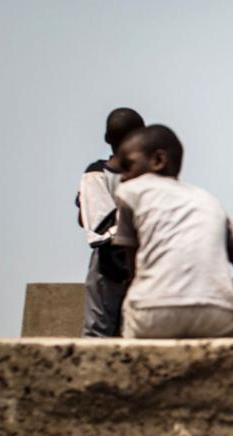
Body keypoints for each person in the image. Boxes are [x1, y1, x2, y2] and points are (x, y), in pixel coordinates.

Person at [111, 125, 233, 338]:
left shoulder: (130, 191)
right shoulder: (209, 201)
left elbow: (134, 274)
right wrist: (216, 293)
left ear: (158, 161)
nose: (123, 177)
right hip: (219, 315)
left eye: (128, 166)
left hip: (153, 313)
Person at [76, 107, 144, 337]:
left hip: (108, 260)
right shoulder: (147, 176)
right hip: (134, 257)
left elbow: (92, 222)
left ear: (107, 139)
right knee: (131, 330)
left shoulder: (95, 174)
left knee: (98, 332)